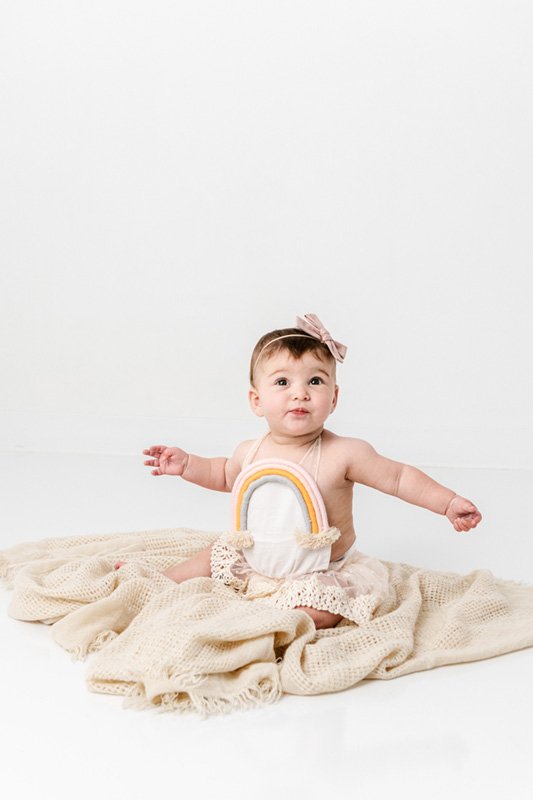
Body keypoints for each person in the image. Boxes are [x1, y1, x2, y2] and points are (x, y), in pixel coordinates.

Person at [119, 313, 482, 630]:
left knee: (323, 607)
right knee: (212, 555)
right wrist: (187, 465)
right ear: (256, 401)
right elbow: (225, 476)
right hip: (257, 558)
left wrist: (446, 502)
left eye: (315, 381)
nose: (300, 394)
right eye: (282, 382)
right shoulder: (251, 451)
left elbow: (399, 478)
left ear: (334, 397)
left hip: (322, 569)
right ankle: (152, 583)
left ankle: (275, 622)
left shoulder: (345, 453)